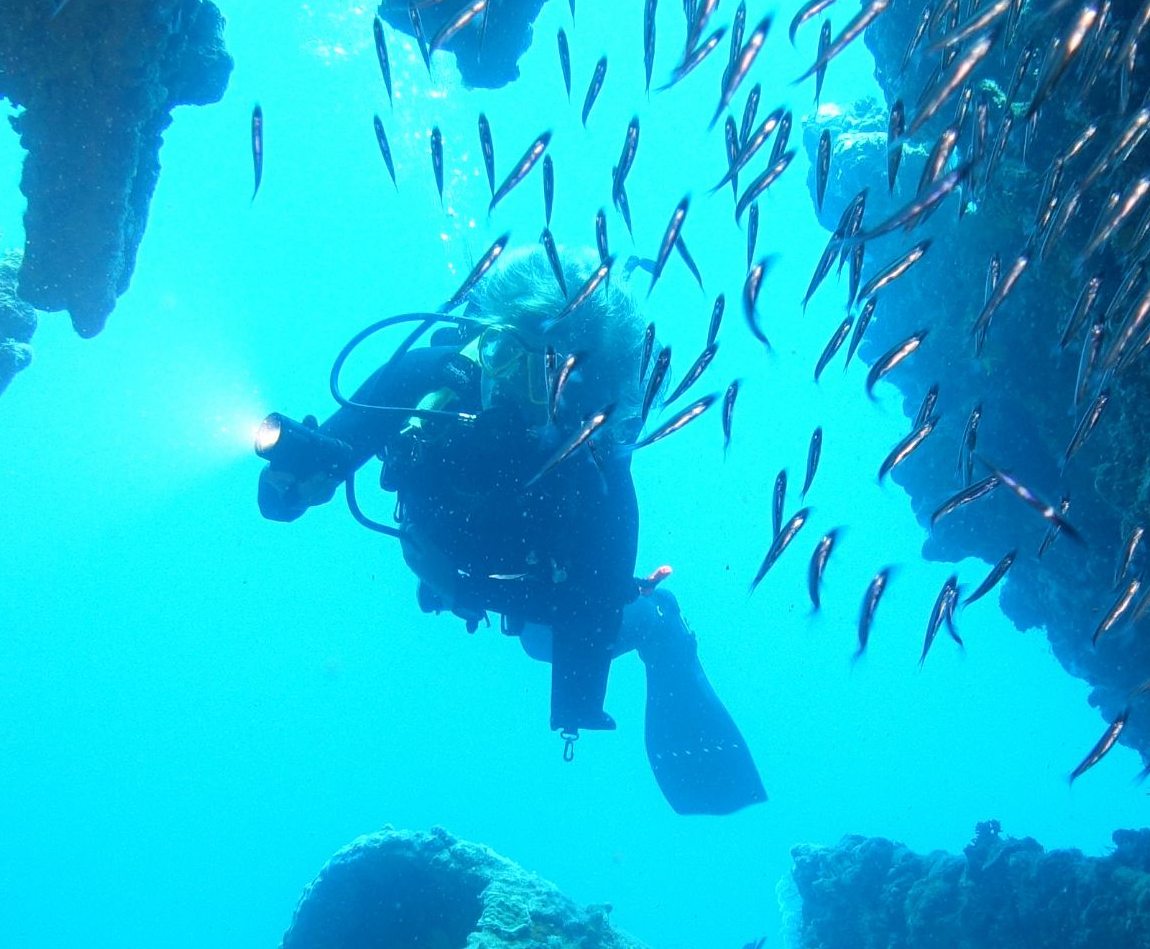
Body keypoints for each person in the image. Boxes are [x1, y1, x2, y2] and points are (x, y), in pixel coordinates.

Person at [253, 245, 767, 815]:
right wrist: (293, 481)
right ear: (485, 337)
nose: (524, 386)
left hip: (527, 579)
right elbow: (318, 467)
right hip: (464, 561)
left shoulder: (596, 462)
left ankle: (660, 628)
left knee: (541, 644)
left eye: (557, 370)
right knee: (533, 643)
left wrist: (463, 587)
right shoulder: (431, 375)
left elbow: (591, 606)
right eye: (509, 353)